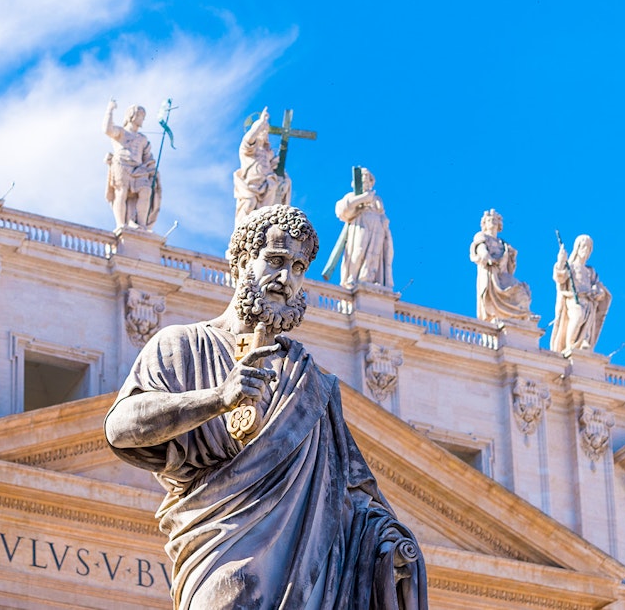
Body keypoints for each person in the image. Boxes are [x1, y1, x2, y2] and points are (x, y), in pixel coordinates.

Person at [104, 205, 426, 609]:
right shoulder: (182, 345)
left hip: (307, 576)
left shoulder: (312, 383)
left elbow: (352, 494)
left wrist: (388, 545)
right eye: (274, 261)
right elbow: (120, 428)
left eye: (297, 267)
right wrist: (218, 399)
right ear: (240, 265)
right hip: (218, 553)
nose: (285, 279)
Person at [104, 100, 160, 231]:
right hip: (121, 165)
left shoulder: (143, 139)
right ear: (132, 116)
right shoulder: (121, 132)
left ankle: (141, 225)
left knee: (146, 190)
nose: (143, 120)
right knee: (121, 193)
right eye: (141, 116)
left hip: (138, 169)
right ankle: (120, 224)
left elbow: (148, 158)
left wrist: (151, 170)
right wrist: (110, 110)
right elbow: (107, 129)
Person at [469, 209, 533, 322]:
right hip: (491, 272)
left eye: (495, 220)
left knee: (521, 291)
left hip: (502, 273)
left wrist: (511, 255)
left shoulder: (503, 243)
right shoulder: (481, 236)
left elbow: (510, 264)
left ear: (499, 224)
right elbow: (480, 248)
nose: (492, 222)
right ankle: (502, 315)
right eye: (489, 220)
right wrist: (486, 256)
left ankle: (522, 316)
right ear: (485, 223)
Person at [550, 234, 611, 353]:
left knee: (586, 326)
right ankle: (570, 345)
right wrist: (561, 261)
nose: (586, 251)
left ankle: (582, 342)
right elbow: (560, 277)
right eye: (584, 247)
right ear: (577, 248)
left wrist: (597, 291)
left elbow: (598, 286)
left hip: (589, 301)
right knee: (578, 317)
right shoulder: (570, 267)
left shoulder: (590, 271)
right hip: (573, 299)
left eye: (589, 249)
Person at [335, 168, 394, 289]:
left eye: (368, 180)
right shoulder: (352, 196)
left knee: (375, 254)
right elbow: (342, 210)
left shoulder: (377, 199)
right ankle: (352, 280)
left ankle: (369, 280)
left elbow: (382, 214)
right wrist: (363, 198)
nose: (366, 182)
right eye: (363, 180)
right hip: (360, 225)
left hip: (377, 227)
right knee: (358, 251)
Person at [233, 107, 291, 224]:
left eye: (265, 131)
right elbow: (248, 139)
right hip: (251, 188)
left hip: (268, 187)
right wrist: (261, 123)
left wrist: (283, 180)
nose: (264, 133)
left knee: (267, 216)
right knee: (248, 209)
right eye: (261, 131)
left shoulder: (269, 155)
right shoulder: (247, 150)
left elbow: (278, 172)